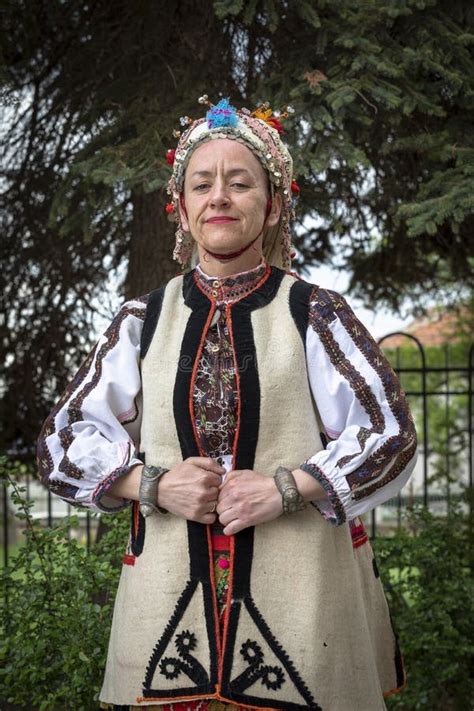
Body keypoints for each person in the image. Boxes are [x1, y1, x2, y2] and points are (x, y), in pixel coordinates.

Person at [37, 96, 418, 711]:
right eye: (202, 184)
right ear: (181, 211)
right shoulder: (144, 320)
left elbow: (390, 433)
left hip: (304, 599)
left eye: (240, 183)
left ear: (270, 208)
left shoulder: (315, 313)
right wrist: (150, 484)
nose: (219, 197)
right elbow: (62, 441)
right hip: (165, 598)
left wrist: (287, 487)